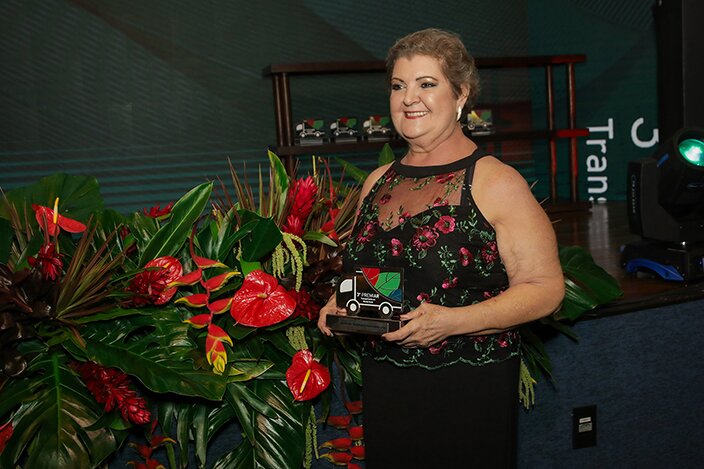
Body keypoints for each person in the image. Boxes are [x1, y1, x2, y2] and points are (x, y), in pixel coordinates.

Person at [318, 28, 564, 468]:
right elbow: (383, 278)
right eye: (399, 86)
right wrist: (345, 304)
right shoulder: (378, 182)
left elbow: (546, 289)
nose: (409, 98)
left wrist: (452, 322)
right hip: (389, 390)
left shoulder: (494, 181)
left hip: (466, 393)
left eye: (427, 84)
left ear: (461, 94)